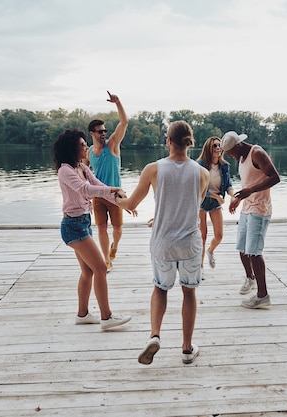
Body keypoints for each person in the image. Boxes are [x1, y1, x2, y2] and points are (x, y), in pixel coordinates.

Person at [116, 121, 209, 365]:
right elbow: (191, 205)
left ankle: (155, 335)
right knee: (189, 292)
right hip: (189, 244)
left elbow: (132, 204)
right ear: (189, 142)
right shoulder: (202, 173)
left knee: (160, 288)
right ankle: (187, 348)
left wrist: (117, 199)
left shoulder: (153, 169)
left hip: (163, 243)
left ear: (168, 141)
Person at [52, 128, 132, 330]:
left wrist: (123, 202)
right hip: (72, 227)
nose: (86, 147)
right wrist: (114, 189)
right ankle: (107, 317)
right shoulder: (65, 171)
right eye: (81, 145)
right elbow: (86, 189)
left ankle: (83, 314)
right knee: (101, 268)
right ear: (72, 148)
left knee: (88, 271)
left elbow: (98, 185)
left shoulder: (81, 167)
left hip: (83, 223)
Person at [220, 131, 280, 309]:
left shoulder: (257, 153)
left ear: (238, 145)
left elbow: (275, 177)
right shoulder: (242, 157)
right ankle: (250, 278)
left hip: (260, 208)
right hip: (247, 206)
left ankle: (263, 296)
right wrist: (238, 199)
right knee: (243, 249)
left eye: (230, 152)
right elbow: (249, 183)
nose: (229, 156)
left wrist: (250, 191)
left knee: (254, 252)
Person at [88, 91, 128, 272]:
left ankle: (115, 247)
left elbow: (124, 122)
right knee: (101, 228)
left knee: (117, 229)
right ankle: (106, 259)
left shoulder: (112, 145)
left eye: (105, 130)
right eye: (100, 131)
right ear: (92, 133)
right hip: (98, 196)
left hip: (115, 195)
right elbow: (84, 172)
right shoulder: (88, 152)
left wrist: (118, 102)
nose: (104, 133)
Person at [195, 136, 234, 269]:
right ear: (208, 149)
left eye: (219, 145)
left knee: (219, 236)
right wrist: (216, 197)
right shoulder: (200, 165)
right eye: (215, 146)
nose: (218, 148)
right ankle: (200, 267)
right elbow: (197, 188)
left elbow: (228, 185)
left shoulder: (224, 166)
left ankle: (210, 251)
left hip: (215, 203)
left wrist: (233, 196)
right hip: (201, 201)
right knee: (202, 236)